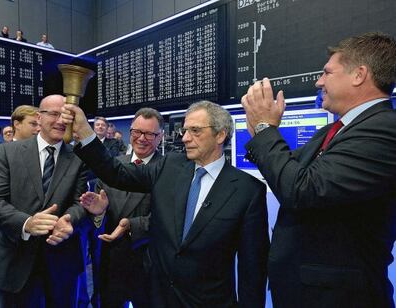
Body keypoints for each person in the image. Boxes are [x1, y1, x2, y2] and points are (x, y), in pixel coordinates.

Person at [63, 100, 269, 307]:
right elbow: (115, 173)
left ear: (220, 135)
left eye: (195, 131)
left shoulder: (247, 190)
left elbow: (252, 269)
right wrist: (85, 133)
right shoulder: (169, 166)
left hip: (207, 301)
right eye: (185, 130)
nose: (186, 138)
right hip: (157, 296)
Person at [241, 32, 396, 307]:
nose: (318, 81)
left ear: (359, 74)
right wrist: (261, 132)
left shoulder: (384, 129)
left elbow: (301, 190)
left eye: (326, 73)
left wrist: (265, 130)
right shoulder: (335, 131)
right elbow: (288, 169)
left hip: (338, 298)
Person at [0, 95, 88, 308]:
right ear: (39, 118)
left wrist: (69, 219)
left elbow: (81, 203)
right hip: (15, 262)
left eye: (65, 115)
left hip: (62, 264)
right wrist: (26, 223)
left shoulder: (79, 158)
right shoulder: (8, 152)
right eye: (54, 114)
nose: (60, 121)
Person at [89, 107, 163, 307]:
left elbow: (168, 217)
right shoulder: (111, 167)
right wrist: (99, 213)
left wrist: (131, 225)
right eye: (137, 132)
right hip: (110, 263)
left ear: (160, 137)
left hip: (148, 263)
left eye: (149, 134)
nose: (141, 138)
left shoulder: (168, 170)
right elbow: (97, 217)